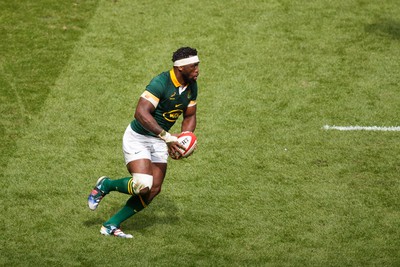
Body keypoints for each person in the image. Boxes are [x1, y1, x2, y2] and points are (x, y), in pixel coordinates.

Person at [87, 47, 200, 238]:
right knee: (143, 184)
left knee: (153, 189)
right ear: (180, 68)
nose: (198, 69)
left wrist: (185, 137)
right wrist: (166, 136)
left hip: (159, 140)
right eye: (194, 65)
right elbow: (140, 113)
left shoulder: (192, 85)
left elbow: (190, 115)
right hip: (138, 137)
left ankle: (110, 225)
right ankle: (105, 185)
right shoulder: (161, 83)